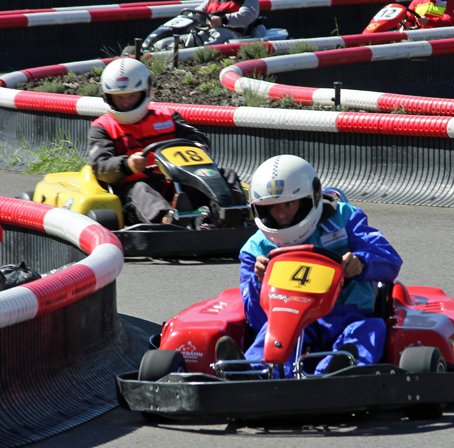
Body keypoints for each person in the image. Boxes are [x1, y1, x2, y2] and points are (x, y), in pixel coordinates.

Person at [218, 155, 402, 378]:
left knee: (370, 330)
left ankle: (337, 370)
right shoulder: (255, 250)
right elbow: (256, 319)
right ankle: (254, 374)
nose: (282, 214)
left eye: (289, 204)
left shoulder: (344, 218)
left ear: (311, 198)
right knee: (270, 334)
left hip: (348, 317)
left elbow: (390, 259)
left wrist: (361, 262)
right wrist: (259, 283)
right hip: (292, 322)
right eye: (273, 207)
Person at [88, 58, 246, 225]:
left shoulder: (168, 116)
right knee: (141, 189)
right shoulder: (102, 128)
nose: (126, 103)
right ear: (108, 97)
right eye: (119, 98)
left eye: (132, 96)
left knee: (225, 173)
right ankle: (168, 223)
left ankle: (230, 213)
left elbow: (195, 136)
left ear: (145, 92)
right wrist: (128, 164)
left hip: (178, 182)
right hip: (134, 193)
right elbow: (100, 165)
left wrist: (198, 145)